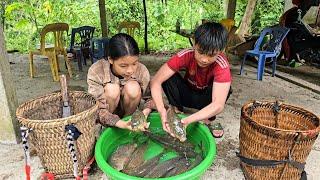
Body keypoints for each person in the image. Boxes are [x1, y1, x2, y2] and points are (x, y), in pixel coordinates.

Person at [150, 22, 232, 138]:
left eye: (211, 55)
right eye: (200, 52)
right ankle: (176, 111)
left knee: (226, 88)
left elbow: (218, 105)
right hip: (187, 95)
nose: (204, 59)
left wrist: (187, 121)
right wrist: (161, 111)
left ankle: (207, 119)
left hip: (206, 100)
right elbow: (155, 82)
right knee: (168, 77)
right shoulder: (185, 55)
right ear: (194, 44)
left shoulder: (221, 65)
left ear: (221, 51)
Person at [87, 33, 154, 130]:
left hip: (129, 112)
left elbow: (150, 98)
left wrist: (145, 113)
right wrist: (118, 123)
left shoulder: (142, 70)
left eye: (134, 63)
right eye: (123, 66)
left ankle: (128, 120)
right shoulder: (96, 71)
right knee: (112, 89)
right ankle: (108, 128)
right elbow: (96, 108)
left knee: (133, 87)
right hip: (107, 115)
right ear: (110, 59)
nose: (130, 70)